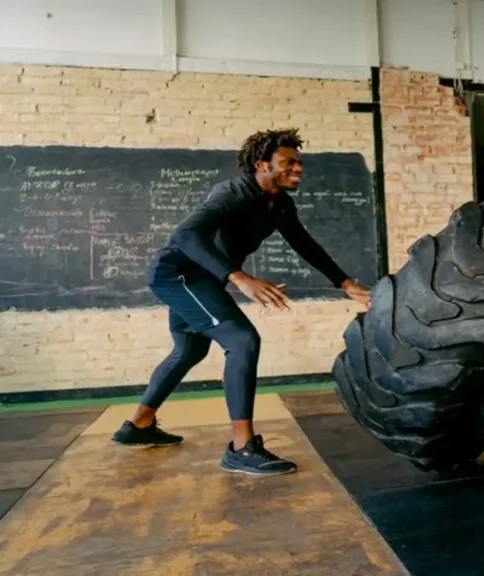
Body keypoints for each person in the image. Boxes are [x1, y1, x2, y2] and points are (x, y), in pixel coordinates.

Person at [112, 128, 372, 476]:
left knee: (189, 350)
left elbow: (304, 243)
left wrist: (343, 283)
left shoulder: (279, 204)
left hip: (203, 280)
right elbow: (185, 235)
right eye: (288, 163)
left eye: (299, 162)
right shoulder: (232, 192)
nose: (298, 169)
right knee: (243, 341)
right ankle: (241, 448)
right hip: (178, 275)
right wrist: (239, 278)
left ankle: (138, 426)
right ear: (262, 165)